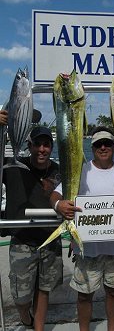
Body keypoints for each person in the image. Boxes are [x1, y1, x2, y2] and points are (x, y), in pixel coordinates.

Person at [50, 126, 114, 331]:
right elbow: (55, 194)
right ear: (92, 147)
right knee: (84, 295)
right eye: (98, 144)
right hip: (87, 249)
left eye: (108, 143)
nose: (103, 147)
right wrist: (58, 205)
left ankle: (112, 328)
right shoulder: (81, 170)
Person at [0, 117, 63, 331]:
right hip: (22, 241)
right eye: (37, 144)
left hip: (50, 240)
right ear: (29, 146)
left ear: (51, 147)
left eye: (46, 145)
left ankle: (39, 327)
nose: (42, 149)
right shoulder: (13, 166)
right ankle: (26, 318)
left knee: (44, 290)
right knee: (21, 297)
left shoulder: (59, 171)